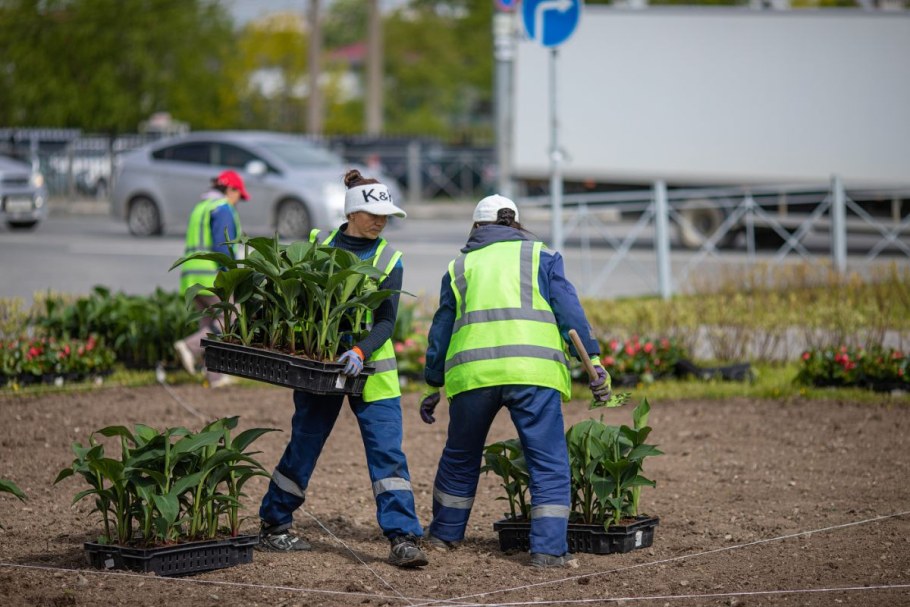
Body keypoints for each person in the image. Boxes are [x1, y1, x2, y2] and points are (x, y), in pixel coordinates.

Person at [418, 194, 612, 568]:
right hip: (532, 372)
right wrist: (595, 361)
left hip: (474, 375)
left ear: (477, 227)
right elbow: (570, 312)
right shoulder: (542, 256)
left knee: (460, 456)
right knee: (547, 462)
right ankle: (548, 550)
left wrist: (431, 384)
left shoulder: (459, 267)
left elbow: (440, 329)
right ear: (516, 224)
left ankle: (444, 535)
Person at [257, 169, 429, 568]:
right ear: (352, 212)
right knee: (304, 444)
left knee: (388, 455)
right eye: (373, 214)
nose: (381, 221)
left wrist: (359, 351)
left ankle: (403, 538)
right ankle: (274, 524)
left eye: (386, 215)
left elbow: (386, 321)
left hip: (372, 371)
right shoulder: (319, 246)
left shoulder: (389, 259)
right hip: (320, 368)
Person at [173, 170, 249, 389]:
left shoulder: (201, 207)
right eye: (238, 195)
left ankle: (214, 377)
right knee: (231, 317)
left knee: (208, 323)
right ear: (230, 189)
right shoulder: (222, 208)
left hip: (192, 277)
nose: (238, 201)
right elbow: (222, 246)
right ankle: (190, 347)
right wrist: (232, 275)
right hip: (212, 275)